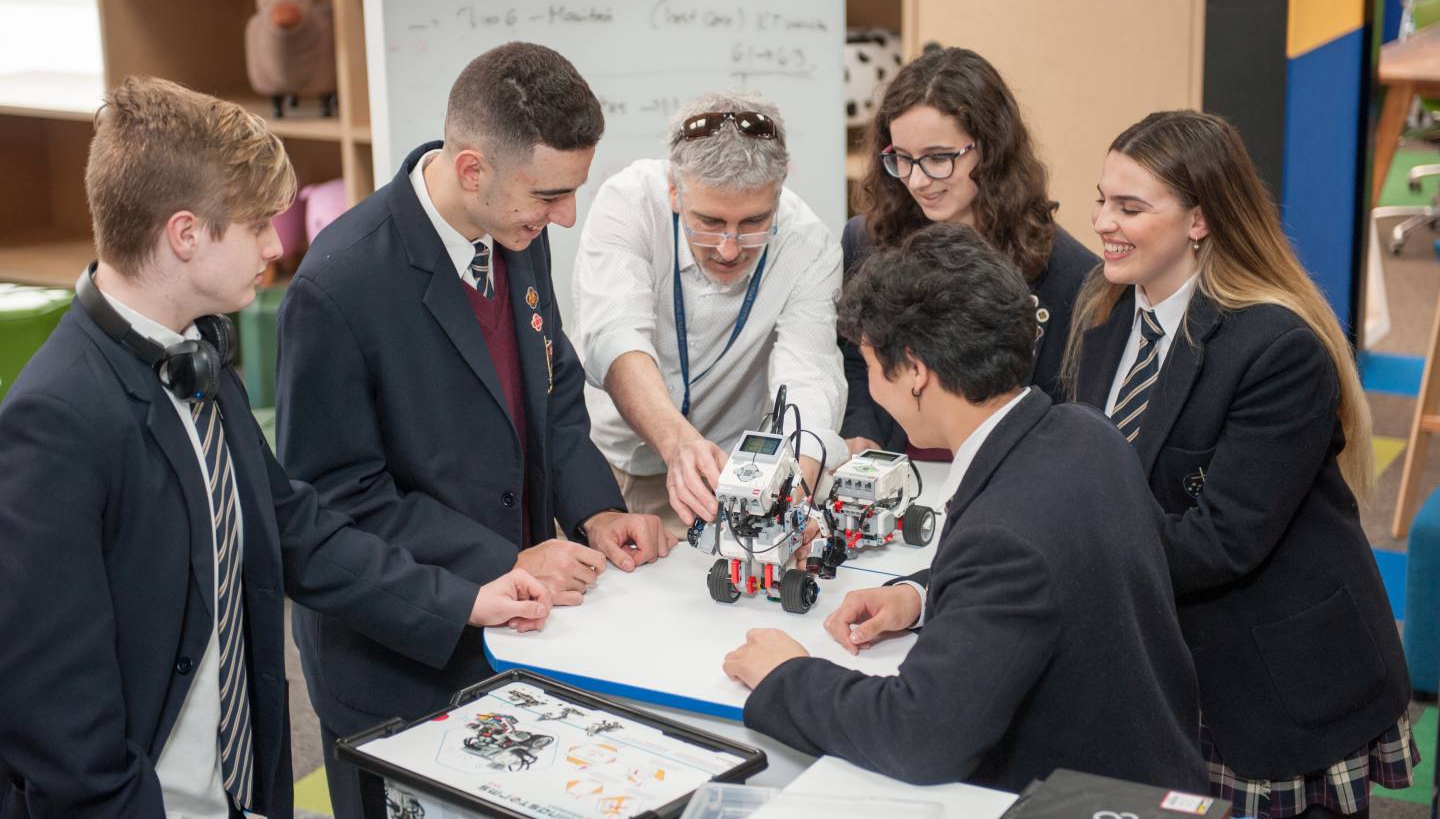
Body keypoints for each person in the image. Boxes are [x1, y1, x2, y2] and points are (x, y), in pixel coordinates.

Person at [0, 77, 550, 816]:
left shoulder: (197, 356)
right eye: (257, 225)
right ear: (186, 234)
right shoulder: (55, 421)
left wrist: (464, 601)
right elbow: (59, 721)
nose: (274, 245)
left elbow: (294, 529)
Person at [276, 42, 673, 817]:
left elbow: (553, 390)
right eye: (551, 195)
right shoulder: (339, 284)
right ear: (470, 170)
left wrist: (595, 511)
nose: (566, 216)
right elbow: (337, 500)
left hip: (512, 636)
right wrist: (504, 559)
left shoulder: (517, 229)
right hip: (397, 655)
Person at [721, 223, 1206, 793]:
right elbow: (1053, 574)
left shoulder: (1003, 538)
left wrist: (787, 675)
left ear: (915, 372)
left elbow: (920, 736)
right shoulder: (1087, 434)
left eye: (872, 367)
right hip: (1158, 777)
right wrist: (922, 596)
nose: (871, 387)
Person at [1065, 110, 1414, 819]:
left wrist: (1067, 547)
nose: (1102, 223)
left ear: (1199, 220)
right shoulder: (1103, 313)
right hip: (1165, 662)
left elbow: (1220, 541)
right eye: (1102, 200)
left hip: (1273, 682)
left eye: (1130, 207)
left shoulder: (1276, 347)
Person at [574, 93, 845, 532]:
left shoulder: (810, 246)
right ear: (673, 191)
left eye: (753, 223)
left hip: (725, 480)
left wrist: (796, 483)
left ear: (779, 193)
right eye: (710, 223)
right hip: (606, 469)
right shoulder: (628, 202)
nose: (729, 248)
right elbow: (615, 336)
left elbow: (810, 374)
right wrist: (679, 444)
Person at [842, 46, 1096, 459]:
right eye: (902, 158)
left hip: (1002, 478)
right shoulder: (867, 240)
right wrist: (862, 429)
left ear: (991, 149)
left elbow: (1062, 413)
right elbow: (855, 360)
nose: (917, 180)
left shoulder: (1070, 273)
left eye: (938, 158)